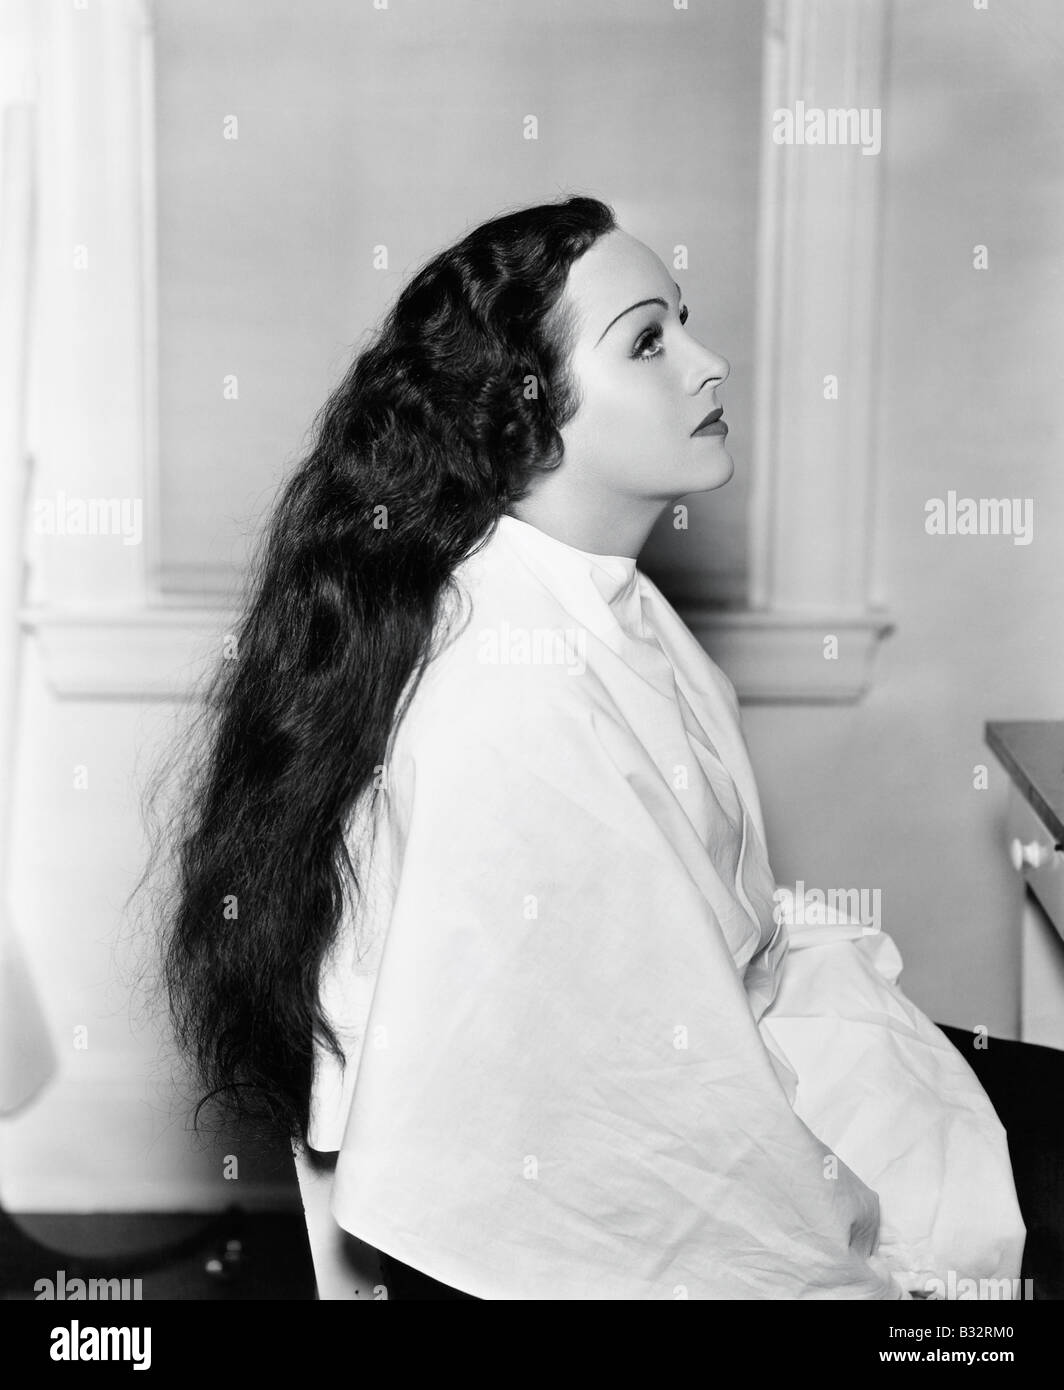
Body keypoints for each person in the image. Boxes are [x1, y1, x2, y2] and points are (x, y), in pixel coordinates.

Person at [158, 194, 1025, 1300]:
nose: (708, 364)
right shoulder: (509, 694)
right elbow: (648, 1122)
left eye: (684, 324)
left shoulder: (607, 599)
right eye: (649, 341)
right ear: (523, 414)